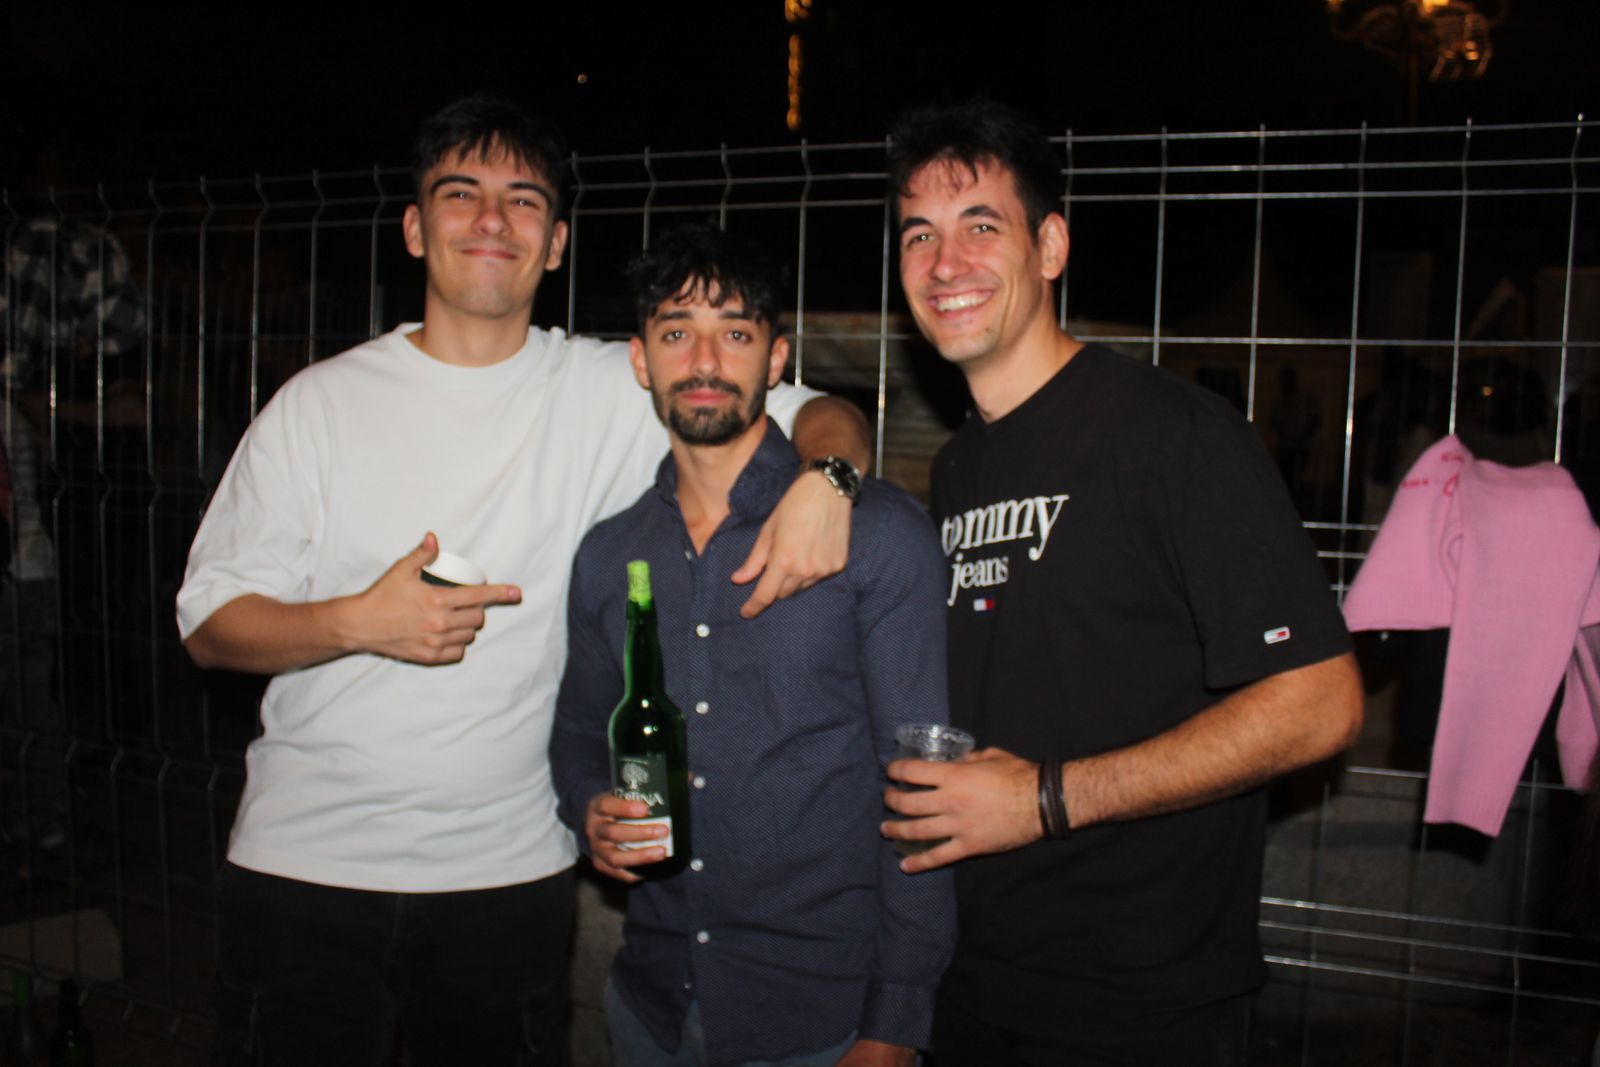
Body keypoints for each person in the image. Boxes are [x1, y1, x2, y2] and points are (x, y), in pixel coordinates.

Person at [175, 96, 869, 1067]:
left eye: (522, 199)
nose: (492, 220)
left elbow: (820, 407)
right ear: (416, 227)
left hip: (507, 876)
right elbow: (210, 621)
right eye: (461, 194)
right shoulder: (318, 405)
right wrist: (355, 620)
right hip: (307, 869)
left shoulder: (610, 386)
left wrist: (828, 482)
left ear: (555, 244)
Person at [878, 99, 1364, 1066]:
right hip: (975, 979)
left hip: (1138, 1006)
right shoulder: (959, 467)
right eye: (918, 234)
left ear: (1050, 246)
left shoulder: (1174, 435)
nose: (945, 264)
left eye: (982, 225)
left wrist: (1044, 799)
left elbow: (1319, 705)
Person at [550, 222, 954, 1067]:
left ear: (776, 360)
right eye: (675, 333)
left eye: (734, 332)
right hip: (649, 1005)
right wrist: (588, 806)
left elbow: (925, 792)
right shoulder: (608, 554)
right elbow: (579, 735)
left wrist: (895, 1025)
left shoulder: (875, 535)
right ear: (639, 360)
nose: (704, 359)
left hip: (824, 1024)